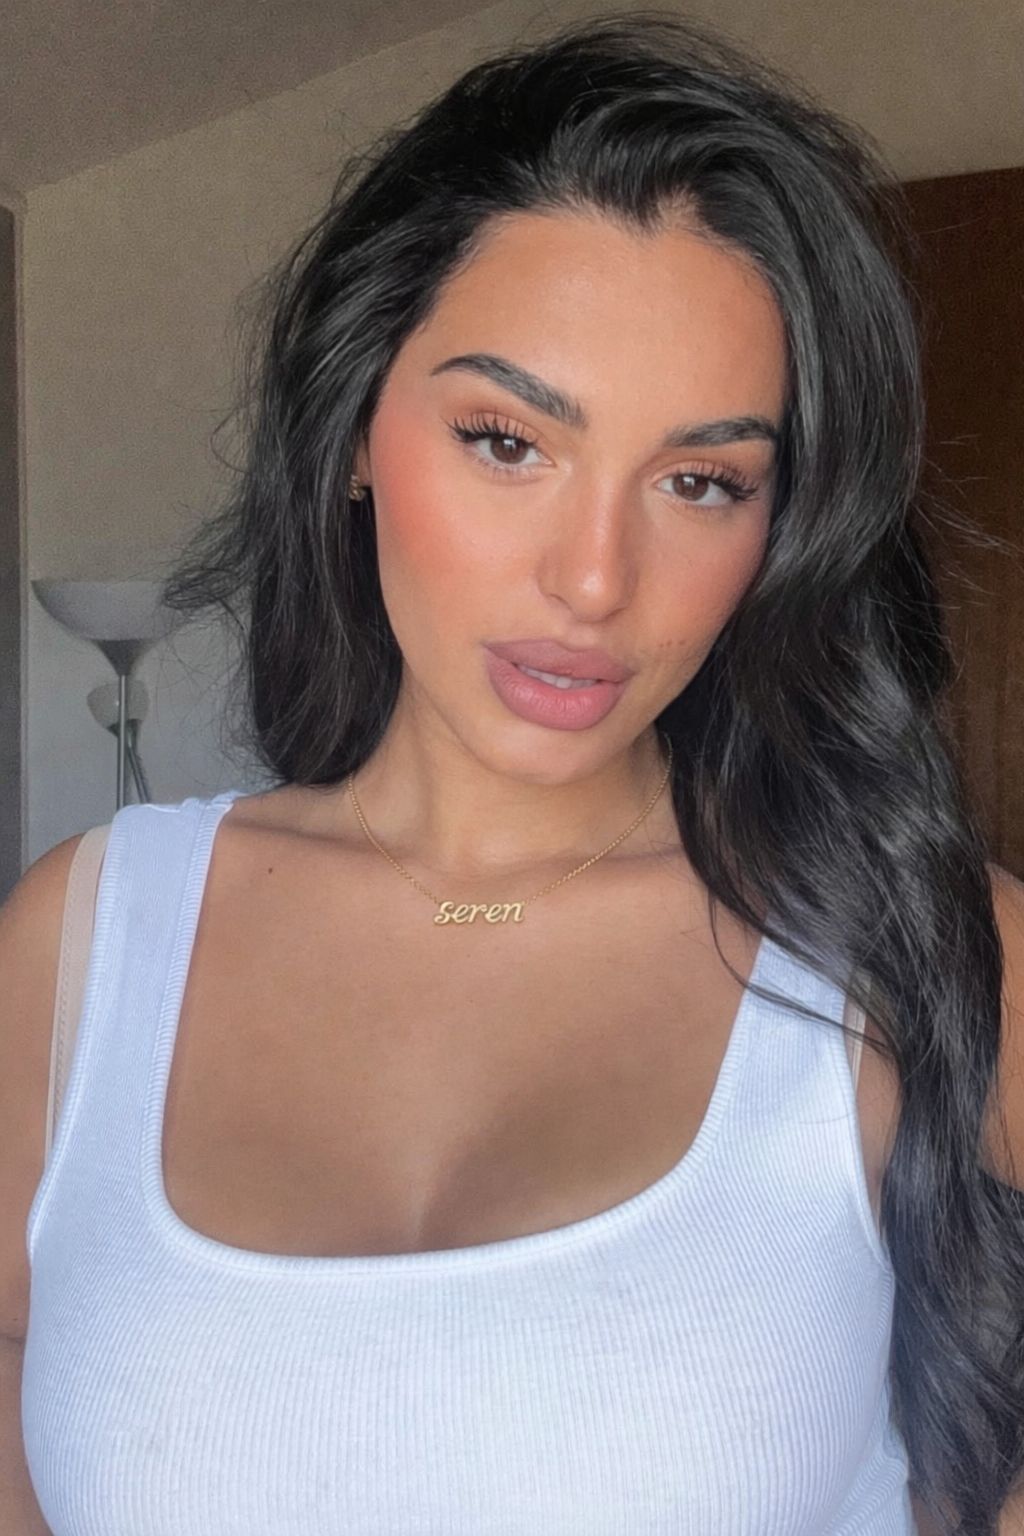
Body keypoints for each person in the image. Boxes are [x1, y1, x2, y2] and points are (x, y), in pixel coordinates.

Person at [3, 10, 1023, 1534]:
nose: (595, 579)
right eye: (507, 441)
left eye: (701, 481)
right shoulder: (84, 940)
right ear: (355, 429)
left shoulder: (917, 946)